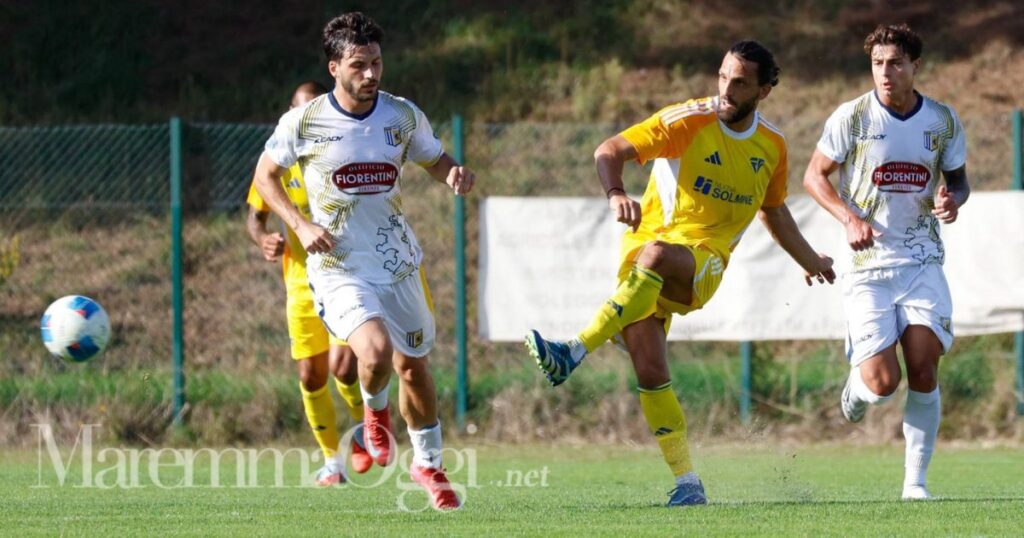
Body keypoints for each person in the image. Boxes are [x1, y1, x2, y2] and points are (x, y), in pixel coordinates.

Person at [525, 41, 836, 507]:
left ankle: (572, 351)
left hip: (701, 262)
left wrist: (810, 260)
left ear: (764, 90)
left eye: (740, 82)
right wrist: (614, 194)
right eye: (723, 76)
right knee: (651, 372)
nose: (726, 89)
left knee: (655, 255)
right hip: (641, 263)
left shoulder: (771, 146)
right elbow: (608, 150)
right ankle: (689, 483)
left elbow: (774, 212)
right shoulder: (687, 121)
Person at [253, 12, 475, 510]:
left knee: (413, 367)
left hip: (397, 261)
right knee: (372, 354)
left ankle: (428, 465)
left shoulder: (400, 114)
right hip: (339, 265)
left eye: (376, 62)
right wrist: (301, 224)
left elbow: (433, 158)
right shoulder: (304, 121)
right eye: (359, 65)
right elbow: (265, 176)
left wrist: (452, 174)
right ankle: (375, 414)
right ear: (335, 67)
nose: (371, 74)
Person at [802, 23, 969, 501]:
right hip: (867, 265)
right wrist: (848, 217)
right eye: (877, 63)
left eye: (895, 62)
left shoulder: (941, 121)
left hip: (920, 261)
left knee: (923, 366)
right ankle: (857, 390)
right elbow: (814, 177)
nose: (885, 72)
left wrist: (952, 200)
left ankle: (914, 484)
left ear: (915, 66)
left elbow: (958, 181)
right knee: (882, 381)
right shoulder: (851, 117)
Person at [246, 81, 371, 487]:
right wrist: (262, 238)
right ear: (289, 114)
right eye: (298, 111)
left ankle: (365, 426)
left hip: (342, 275)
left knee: (342, 366)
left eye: (312, 110)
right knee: (310, 376)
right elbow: (255, 215)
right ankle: (332, 464)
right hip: (299, 284)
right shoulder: (277, 162)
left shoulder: (337, 154)